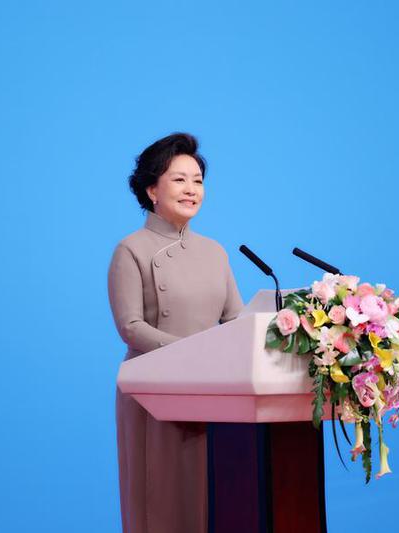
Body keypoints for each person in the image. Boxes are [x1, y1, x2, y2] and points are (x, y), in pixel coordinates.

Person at [107, 132, 244, 533]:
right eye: (179, 179)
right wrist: (194, 354)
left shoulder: (215, 252)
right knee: (162, 504)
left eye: (198, 180)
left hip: (214, 395)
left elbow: (235, 321)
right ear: (152, 188)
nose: (191, 189)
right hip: (155, 394)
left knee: (210, 503)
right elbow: (131, 328)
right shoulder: (131, 249)